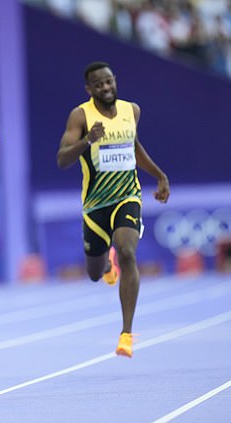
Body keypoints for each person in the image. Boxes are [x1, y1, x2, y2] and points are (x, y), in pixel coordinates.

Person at [56, 61, 170, 358]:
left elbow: (134, 147)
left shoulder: (132, 110)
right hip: (95, 206)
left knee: (128, 251)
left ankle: (127, 333)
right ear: (89, 89)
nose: (105, 88)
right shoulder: (80, 115)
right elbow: (62, 159)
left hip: (127, 196)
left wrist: (159, 175)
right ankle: (106, 263)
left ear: (114, 81)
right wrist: (86, 140)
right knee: (95, 274)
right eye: (99, 84)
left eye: (109, 82)